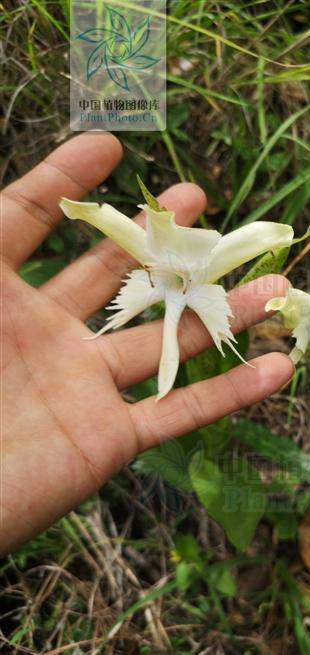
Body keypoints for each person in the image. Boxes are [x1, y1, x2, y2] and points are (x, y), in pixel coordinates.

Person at [0, 132, 294, 556]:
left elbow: (273, 234)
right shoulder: (156, 262)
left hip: (192, 289)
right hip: (178, 288)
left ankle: (239, 536)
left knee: (200, 367)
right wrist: (89, 215)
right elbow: (99, 218)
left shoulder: (199, 264)